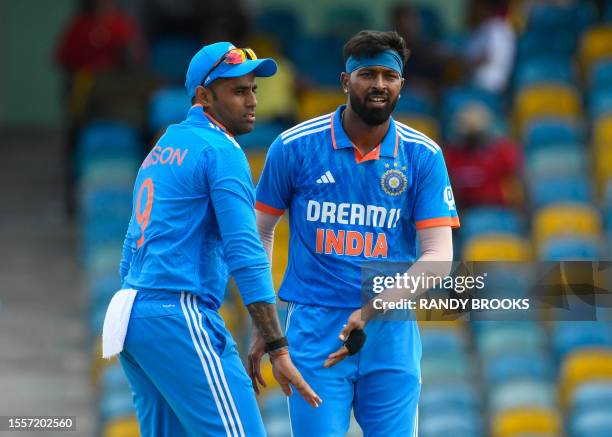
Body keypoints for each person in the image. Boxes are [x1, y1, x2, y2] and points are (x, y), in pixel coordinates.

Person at [102, 41, 321, 437]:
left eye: (253, 89)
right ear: (203, 96)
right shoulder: (220, 149)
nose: (252, 100)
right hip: (178, 313)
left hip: (132, 313)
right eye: (239, 91)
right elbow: (246, 251)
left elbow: (129, 248)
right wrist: (278, 346)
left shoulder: (162, 147)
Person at [248, 30, 459, 436]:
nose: (379, 84)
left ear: (401, 84)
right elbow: (259, 234)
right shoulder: (294, 147)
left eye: (389, 75)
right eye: (367, 74)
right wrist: (266, 322)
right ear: (346, 81)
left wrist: (372, 309)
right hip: (314, 328)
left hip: (390, 327)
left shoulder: (423, 155)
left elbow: (438, 258)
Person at [445, 103, 523, 207]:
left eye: (476, 134)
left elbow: (516, 184)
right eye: (468, 135)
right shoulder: (452, 155)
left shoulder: (502, 151)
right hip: (464, 209)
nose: (471, 139)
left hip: (498, 206)